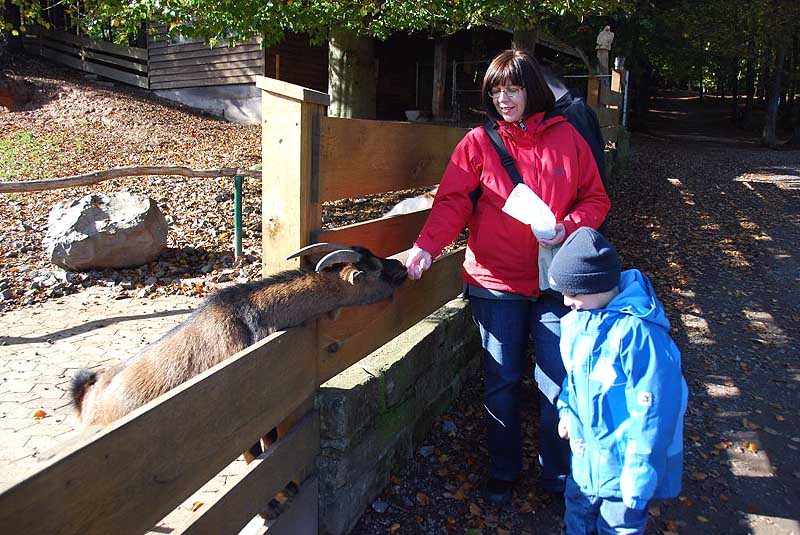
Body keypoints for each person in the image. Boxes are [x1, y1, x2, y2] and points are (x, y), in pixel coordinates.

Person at [405, 49, 610, 505]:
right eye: (495, 90)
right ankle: (503, 469)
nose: (503, 98)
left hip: (556, 282)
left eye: (512, 88)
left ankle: (556, 474)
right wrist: (425, 248)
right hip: (496, 281)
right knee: (501, 380)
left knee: (557, 381)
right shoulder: (478, 143)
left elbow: (596, 199)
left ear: (531, 89)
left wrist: (569, 226)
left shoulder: (568, 138)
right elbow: (452, 203)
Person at [549, 227, 688, 534]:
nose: (566, 301)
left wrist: (639, 475)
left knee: (618, 526)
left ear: (597, 285)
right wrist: (567, 411)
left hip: (622, 467)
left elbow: (655, 412)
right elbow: (574, 379)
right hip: (585, 461)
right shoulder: (579, 323)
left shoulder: (639, 336)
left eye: (572, 293)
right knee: (577, 517)